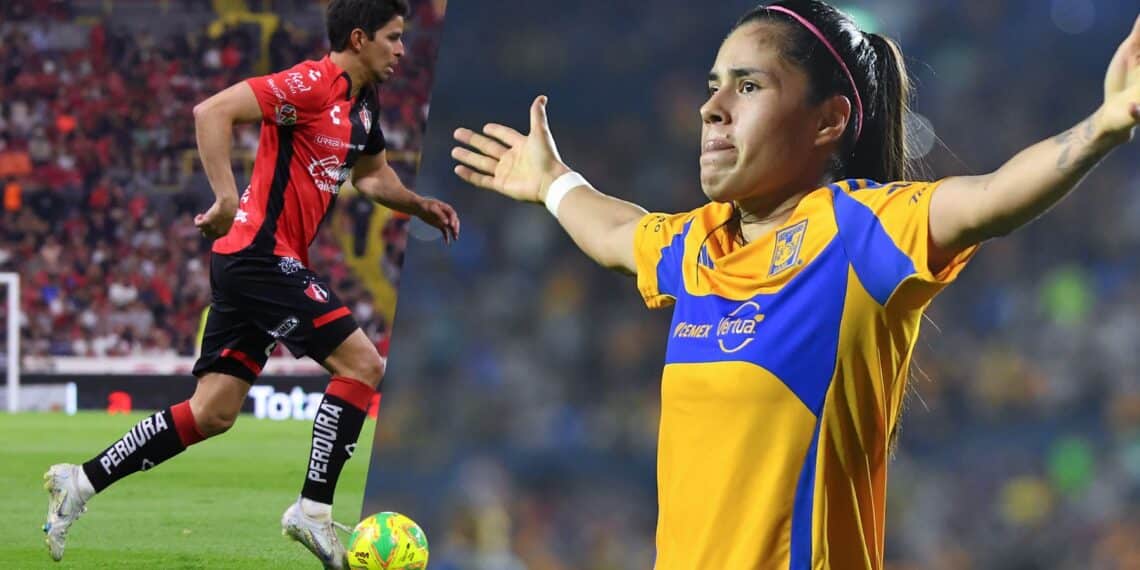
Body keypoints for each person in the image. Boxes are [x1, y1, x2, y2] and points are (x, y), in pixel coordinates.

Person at [451, 1, 1140, 568]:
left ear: (829, 120)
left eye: (747, 86)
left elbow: (991, 198)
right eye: (713, 85)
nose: (711, 107)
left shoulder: (860, 230)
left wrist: (1104, 125)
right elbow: (615, 234)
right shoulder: (699, 243)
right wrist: (553, 183)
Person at [42, 1, 459, 568]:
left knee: (211, 412)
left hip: (252, 263)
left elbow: (371, 175)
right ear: (360, 38)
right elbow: (211, 111)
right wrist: (225, 196)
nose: (402, 50)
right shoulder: (311, 84)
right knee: (363, 365)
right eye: (393, 37)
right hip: (261, 256)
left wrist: (418, 205)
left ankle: (79, 482)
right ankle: (312, 511)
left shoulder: (364, 104)